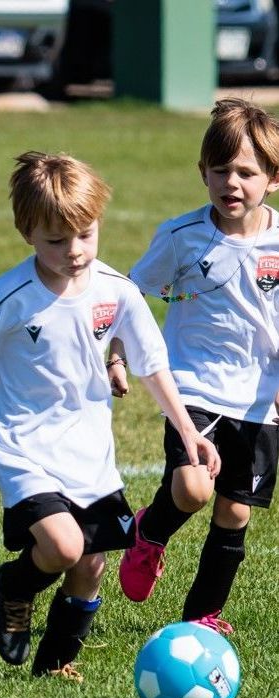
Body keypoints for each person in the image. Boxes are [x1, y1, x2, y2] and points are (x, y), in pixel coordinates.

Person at [0, 152, 220, 679]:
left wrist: (189, 432)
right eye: (56, 240)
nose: (74, 252)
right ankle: (16, 585)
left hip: (87, 446)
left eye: (86, 235)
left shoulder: (115, 290)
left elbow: (152, 364)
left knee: (91, 565)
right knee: (64, 545)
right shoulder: (7, 297)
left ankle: (54, 665)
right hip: (18, 441)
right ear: (26, 232)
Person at [113, 97, 279, 635]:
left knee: (235, 513)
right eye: (220, 171)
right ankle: (150, 532)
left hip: (259, 398)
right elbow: (132, 300)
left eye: (247, 173)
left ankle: (200, 617)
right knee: (193, 489)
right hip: (193, 388)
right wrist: (116, 354)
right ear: (202, 173)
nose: (232, 183)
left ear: (272, 180)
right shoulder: (182, 238)